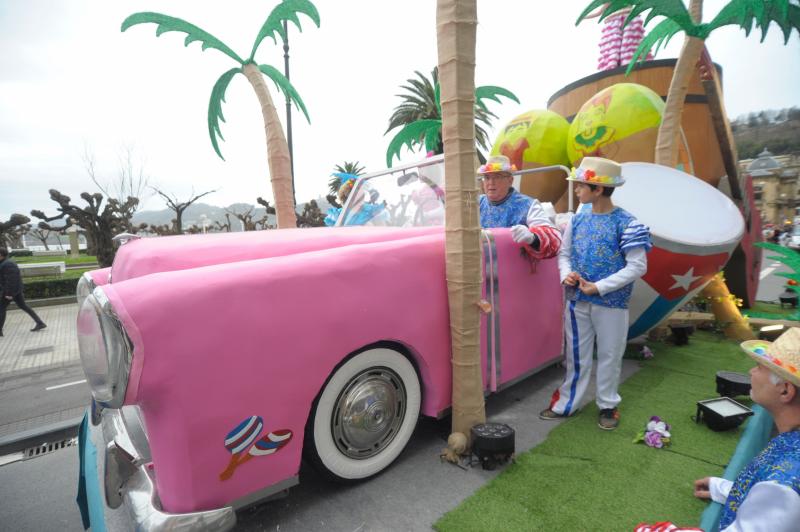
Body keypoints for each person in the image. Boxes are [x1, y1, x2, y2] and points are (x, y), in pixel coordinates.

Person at [539, 157, 651, 430]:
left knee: (611, 355)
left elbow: (638, 265)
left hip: (611, 304)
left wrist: (599, 287)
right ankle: (568, 403)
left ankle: (608, 405)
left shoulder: (626, 223)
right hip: (577, 300)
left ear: (598, 189)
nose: (576, 190)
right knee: (576, 354)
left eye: (580, 186)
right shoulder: (578, 219)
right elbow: (564, 254)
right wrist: (567, 274)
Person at [692, 327, 800, 531]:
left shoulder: (783, 485)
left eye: (759, 366)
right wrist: (725, 490)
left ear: (785, 390)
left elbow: (780, 495)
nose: (751, 372)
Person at [478, 155, 561, 259]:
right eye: (487, 177)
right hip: (480, 270)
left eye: (497, 177)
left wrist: (533, 238)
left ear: (510, 180)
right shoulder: (475, 203)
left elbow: (555, 241)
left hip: (515, 271)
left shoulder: (528, 205)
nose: (491, 182)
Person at [0, 246, 47, 336]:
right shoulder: (4, 263)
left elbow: (12, 280)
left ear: (1, 255)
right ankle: (40, 323)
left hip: (10, 291)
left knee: (1, 308)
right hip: (15, 291)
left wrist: (9, 293)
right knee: (23, 306)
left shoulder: (8, 264)